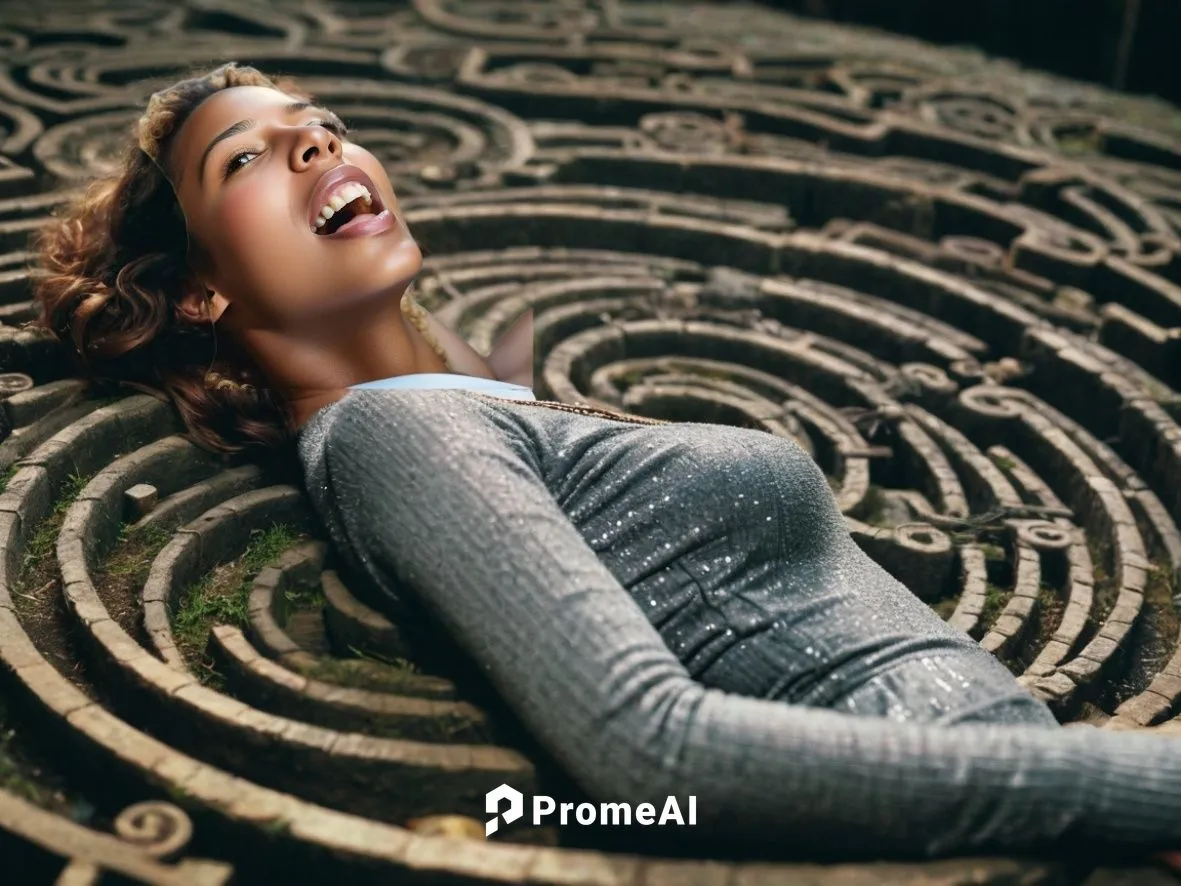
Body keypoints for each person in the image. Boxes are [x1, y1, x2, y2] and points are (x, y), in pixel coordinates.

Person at [22, 62, 1181, 870]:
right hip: (983, 815)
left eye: (316, 121)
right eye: (248, 160)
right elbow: (641, 747)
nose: (315, 141)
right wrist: (1128, 788)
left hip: (1013, 812)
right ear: (199, 291)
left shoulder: (455, 409)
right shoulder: (393, 434)